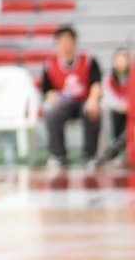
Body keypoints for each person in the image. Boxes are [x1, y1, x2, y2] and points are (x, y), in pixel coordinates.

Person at [41, 25, 102, 170]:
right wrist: (54, 98)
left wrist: (93, 101)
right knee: (51, 112)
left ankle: (90, 155)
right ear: (57, 44)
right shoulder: (50, 64)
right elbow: (47, 90)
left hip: (84, 102)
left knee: (93, 110)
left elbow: (96, 84)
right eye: (61, 41)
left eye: (68, 40)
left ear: (75, 42)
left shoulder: (89, 60)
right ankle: (58, 155)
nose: (65, 44)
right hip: (64, 104)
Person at [98, 47, 129, 166]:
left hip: (130, 111)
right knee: (114, 114)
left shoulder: (132, 78)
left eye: (124, 58)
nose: (121, 62)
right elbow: (107, 98)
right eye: (119, 59)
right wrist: (119, 106)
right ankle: (115, 149)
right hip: (115, 110)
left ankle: (116, 149)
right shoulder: (108, 79)